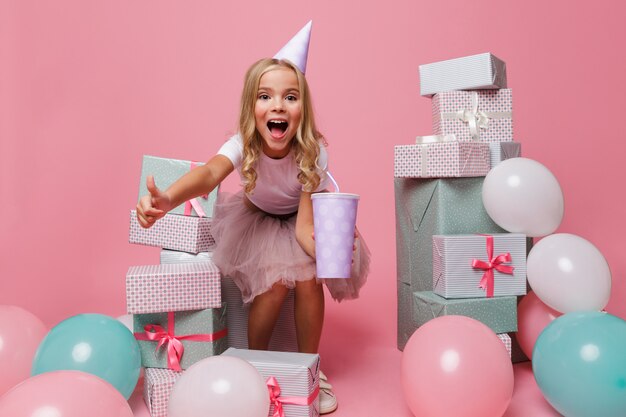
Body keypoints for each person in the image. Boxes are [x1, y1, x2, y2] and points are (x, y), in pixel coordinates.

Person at [136, 24, 369, 415]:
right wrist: (170, 197)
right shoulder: (243, 143)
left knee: (309, 279)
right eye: (266, 96)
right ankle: (255, 363)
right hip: (257, 219)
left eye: (290, 97)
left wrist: (334, 251)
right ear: (252, 108)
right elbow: (210, 174)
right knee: (274, 283)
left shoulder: (313, 153)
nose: (278, 106)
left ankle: (308, 367)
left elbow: (303, 228)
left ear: (302, 110)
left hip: (301, 219)